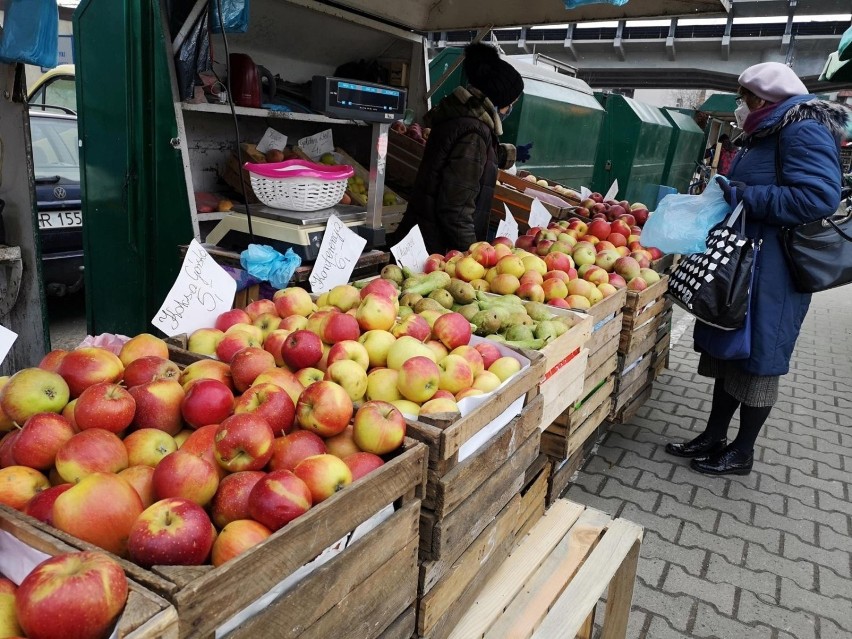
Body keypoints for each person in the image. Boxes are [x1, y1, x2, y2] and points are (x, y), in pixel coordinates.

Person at [665, 62, 851, 476]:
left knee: (758, 360)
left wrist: (745, 194)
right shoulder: (766, 130)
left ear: (764, 98)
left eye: (744, 98)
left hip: (776, 270)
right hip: (748, 260)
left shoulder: (800, 129)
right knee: (729, 355)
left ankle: (742, 452)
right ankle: (713, 436)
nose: (740, 105)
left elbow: (818, 197)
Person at [395, 42, 528, 255]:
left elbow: (464, 162)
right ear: (499, 99)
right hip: (435, 250)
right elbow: (455, 210)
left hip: (423, 236)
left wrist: (507, 154)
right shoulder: (474, 132)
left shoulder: (462, 118)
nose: (510, 107)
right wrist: (473, 254)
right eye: (511, 101)